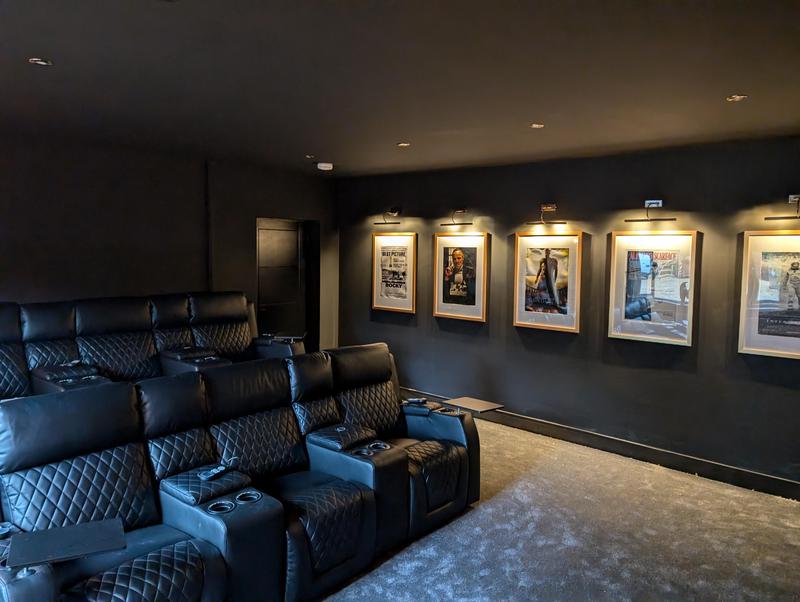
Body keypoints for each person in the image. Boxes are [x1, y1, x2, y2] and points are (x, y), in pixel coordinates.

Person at [534, 248, 565, 313]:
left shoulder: (553, 261)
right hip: (542, 278)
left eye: (548, 252)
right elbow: (539, 269)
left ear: (549, 253)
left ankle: (552, 304)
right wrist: (536, 278)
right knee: (540, 291)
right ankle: (539, 304)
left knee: (549, 291)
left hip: (549, 279)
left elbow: (556, 271)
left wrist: (554, 279)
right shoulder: (542, 260)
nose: (546, 253)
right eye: (546, 252)